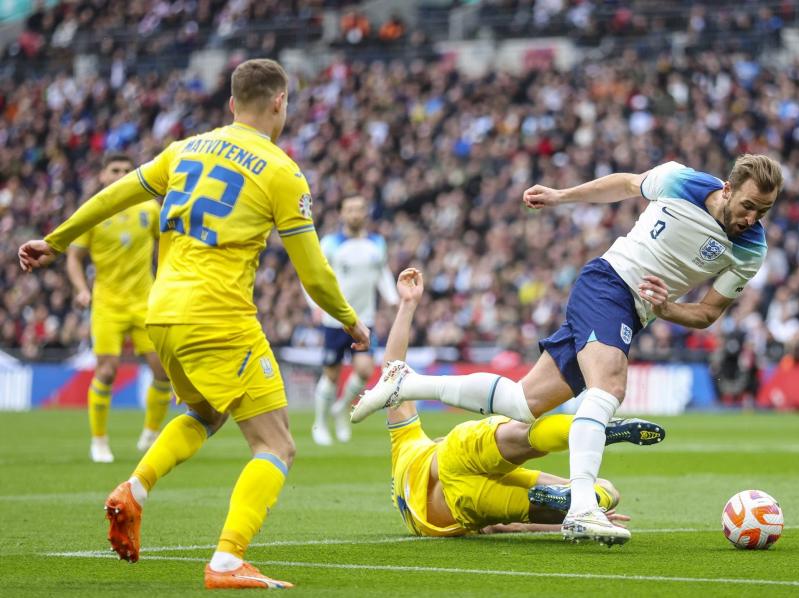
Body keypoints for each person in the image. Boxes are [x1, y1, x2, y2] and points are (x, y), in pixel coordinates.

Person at [18, 58, 369, 589]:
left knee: (204, 413)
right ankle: (228, 560)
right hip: (219, 315)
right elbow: (314, 272)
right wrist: (350, 321)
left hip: (161, 311)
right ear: (279, 103)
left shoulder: (185, 149)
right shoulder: (280, 170)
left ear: (231, 104)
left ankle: (135, 488)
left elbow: (117, 196)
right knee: (276, 446)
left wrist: (58, 237)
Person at [353, 155, 783, 545]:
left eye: (763, 211)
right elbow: (627, 184)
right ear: (728, 189)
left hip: (633, 311)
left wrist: (667, 307)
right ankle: (581, 507)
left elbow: (708, 313)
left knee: (524, 403)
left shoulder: (752, 249)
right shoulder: (679, 181)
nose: (752, 218)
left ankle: (406, 384)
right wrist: (561, 196)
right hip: (609, 282)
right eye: (748, 205)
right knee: (609, 387)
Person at [382, 268, 664, 540]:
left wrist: (562, 523)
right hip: (452, 453)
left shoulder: (418, 512)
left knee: (604, 493)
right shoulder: (405, 446)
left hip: (463, 509)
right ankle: (590, 429)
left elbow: (506, 527)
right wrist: (407, 305)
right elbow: (392, 373)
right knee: (522, 435)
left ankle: (583, 503)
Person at [65, 153, 172, 463]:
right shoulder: (94, 212)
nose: (122, 174)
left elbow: (166, 246)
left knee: (162, 371)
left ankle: (151, 434)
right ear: (103, 176)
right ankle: (99, 441)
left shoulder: (149, 209)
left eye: (127, 170)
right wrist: (82, 290)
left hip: (144, 303)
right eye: (115, 170)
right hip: (107, 304)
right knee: (108, 371)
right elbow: (74, 258)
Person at [307, 194, 397, 446]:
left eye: (359, 209)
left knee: (365, 370)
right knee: (331, 374)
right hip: (334, 320)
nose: (355, 214)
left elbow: (382, 273)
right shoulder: (331, 244)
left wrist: (391, 297)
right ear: (342, 214)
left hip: (364, 319)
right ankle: (321, 423)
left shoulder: (376, 243)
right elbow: (313, 275)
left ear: (366, 213)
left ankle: (341, 408)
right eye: (350, 209)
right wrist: (314, 305)